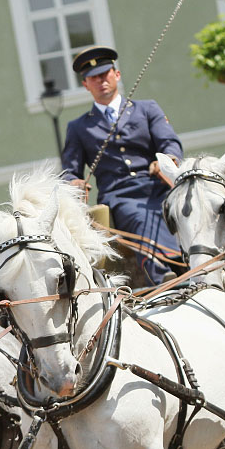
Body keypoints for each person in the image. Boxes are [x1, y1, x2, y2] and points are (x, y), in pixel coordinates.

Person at [61, 45, 183, 285]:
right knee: (139, 216)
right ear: (85, 84)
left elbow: (169, 142)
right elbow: (69, 171)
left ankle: (199, 262)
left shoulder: (147, 109)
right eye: (93, 78)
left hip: (158, 185)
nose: (101, 81)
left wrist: (166, 161)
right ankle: (162, 275)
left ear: (116, 75)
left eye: (105, 74)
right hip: (119, 196)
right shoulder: (78, 127)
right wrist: (73, 182)